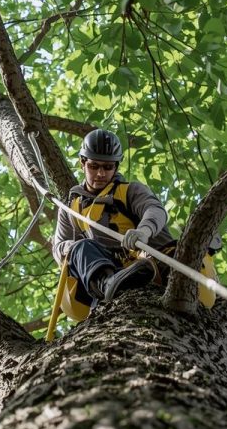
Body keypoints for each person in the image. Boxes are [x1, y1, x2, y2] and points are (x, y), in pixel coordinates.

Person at [51, 129, 175, 307]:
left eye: (107, 167)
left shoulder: (129, 191)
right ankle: (108, 283)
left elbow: (155, 210)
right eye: (94, 166)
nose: (100, 174)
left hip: (149, 266)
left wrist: (143, 231)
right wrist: (71, 248)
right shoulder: (71, 208)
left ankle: (128, 278)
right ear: (82, 163)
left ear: (116, 167)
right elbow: (59, 248)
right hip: (101, 273)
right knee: (80, 247)